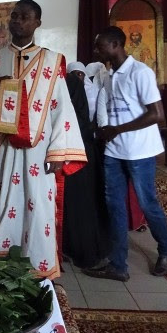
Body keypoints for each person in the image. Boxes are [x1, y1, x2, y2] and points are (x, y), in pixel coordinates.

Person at [0, 0, 86, 280]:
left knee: (39, 204)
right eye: (14, 16)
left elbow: (62, 108)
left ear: (37, 23)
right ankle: (6, 258)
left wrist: (58, 152)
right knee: (7, 201)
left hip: (41, 148)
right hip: (7, 147)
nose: (18, 21)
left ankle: (39, 264)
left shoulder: (51, 61)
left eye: (25, 17)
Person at [83, 26, 167, 282]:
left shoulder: (140, 72)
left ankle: (166, 250)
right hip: (115, 151)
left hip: (140, 151)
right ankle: (118, 264)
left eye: (100, 45)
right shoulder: (108, 75)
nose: (96, 50)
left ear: (115, 44)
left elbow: (157, 114)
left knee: (147, 203)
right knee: (115, 206)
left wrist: (117, 129)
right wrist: (103, 130)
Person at [61, 71, 110, 269]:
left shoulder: (67, 122)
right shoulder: (84, 124)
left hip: (74, 169)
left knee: (75, 210)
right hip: (82, 170)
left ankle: (76, 249)